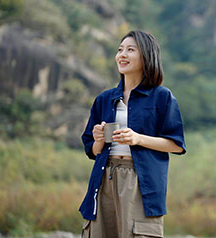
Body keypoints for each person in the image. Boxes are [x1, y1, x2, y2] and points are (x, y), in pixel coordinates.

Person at [79, 30, 186, 238]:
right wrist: (99, 139)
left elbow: (177, 144)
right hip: (104, 178)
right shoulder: (104, 99)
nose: (122, 55)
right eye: (120, 50)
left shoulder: (161, 97)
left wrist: (138, 139)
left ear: (146, 56)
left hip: (140, 180)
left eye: (130, 50)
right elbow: (91, 149)